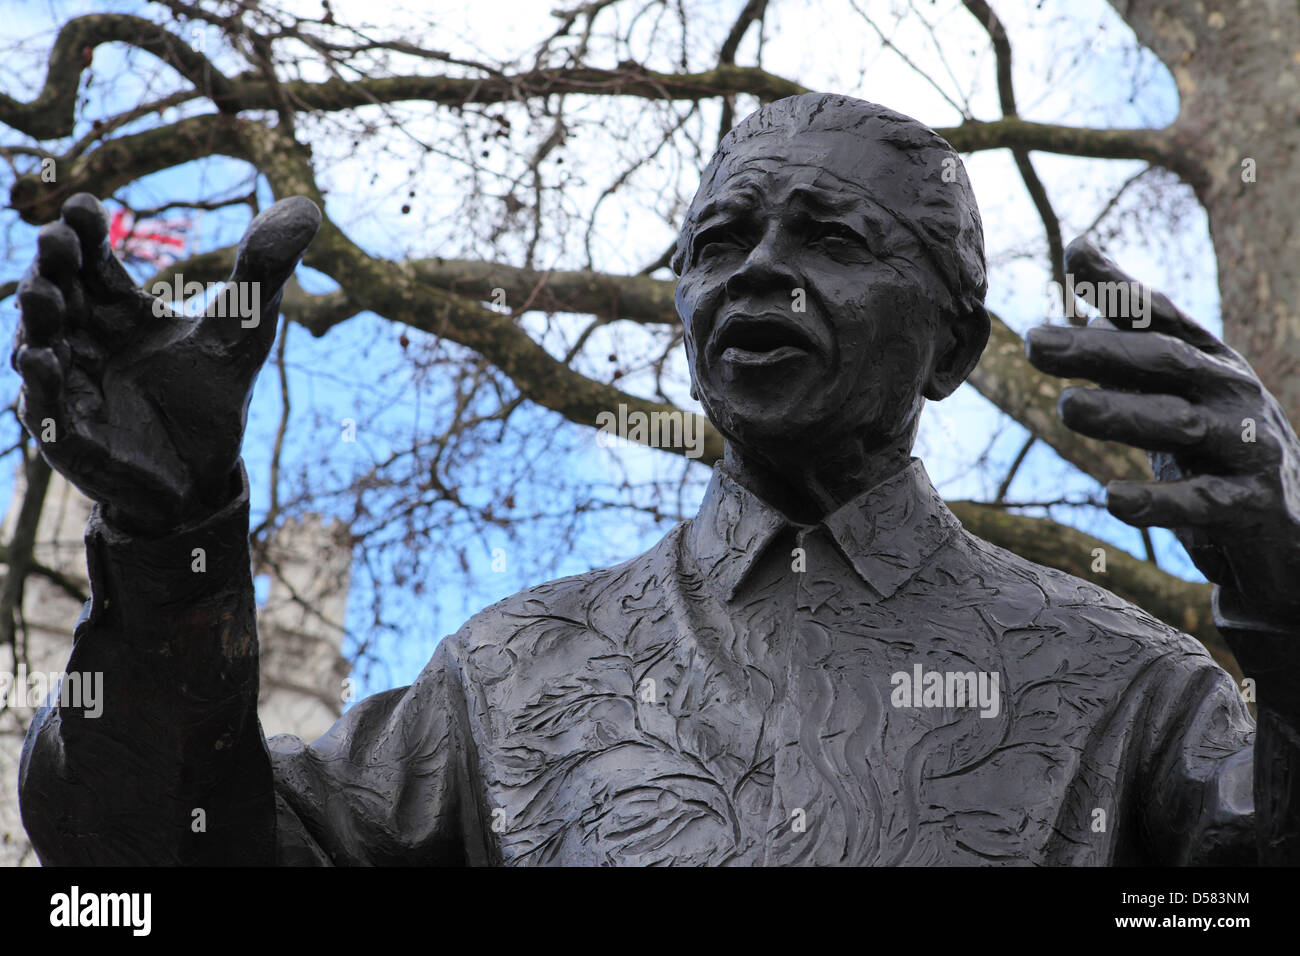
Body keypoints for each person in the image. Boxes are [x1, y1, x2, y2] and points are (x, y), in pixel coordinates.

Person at [14, 94, 1300, 865]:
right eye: (722, 239)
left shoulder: (1130, 685)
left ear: (954, 344)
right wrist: (168, 529)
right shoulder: (506, 676)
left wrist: (1288, 603)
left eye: (829, 237)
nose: (756, 270)